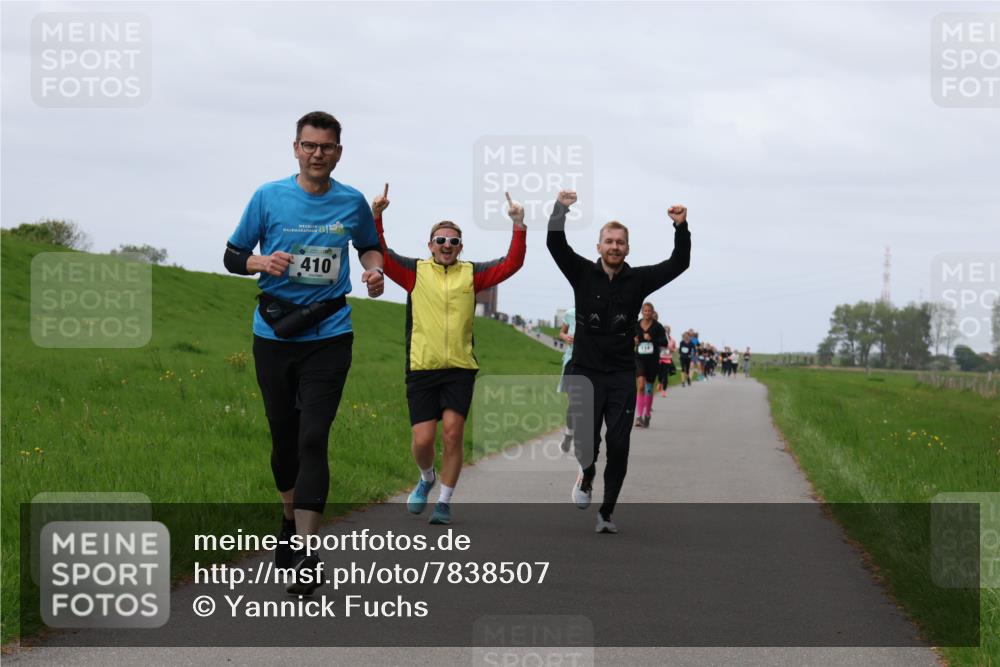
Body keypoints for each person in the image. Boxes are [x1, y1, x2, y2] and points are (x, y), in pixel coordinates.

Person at [223, 111, 385, 595]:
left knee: (314, 437)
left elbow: (368, 247)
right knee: (284, 439)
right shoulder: (268, 197)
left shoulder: (352, 201)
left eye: (327, 147)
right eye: (309, 146)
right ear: (295, 148)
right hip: (274, 334)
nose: (318, 154)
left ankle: (309, 552)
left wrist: (374, 272)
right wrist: (259, 260)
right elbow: (232, 255)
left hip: (330, 334)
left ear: (338, 152)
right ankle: (288, 522)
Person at [373, 186, 526, 525]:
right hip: (422, 367)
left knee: (454, 433)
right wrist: (377, 217)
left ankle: (444, 500)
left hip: (460, 367)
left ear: (461, 247)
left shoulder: (472, 273)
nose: (446, 246)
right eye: (440, 241)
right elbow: (379, 252)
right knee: (423, 439)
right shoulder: (414, 272)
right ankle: (426, 477)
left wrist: (518, 225)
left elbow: (512, 263)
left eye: (453, 241)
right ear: (430, 246)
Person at [547, 189, 691, 534]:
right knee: (587, 443)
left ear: (627, 249)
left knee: (620, 444)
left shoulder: (637, 280)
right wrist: (559, 210)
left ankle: (607, 512)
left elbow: (679, 264)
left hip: (621, 375)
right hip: (585, 372)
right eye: (609, 241)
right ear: (599, 247)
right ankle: (587, 475)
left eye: (620, 242)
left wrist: (681, 228)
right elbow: (556, 245)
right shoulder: (582, 273)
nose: (614, 247)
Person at [633, 303, 667, 428]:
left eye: (649, 311)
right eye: (645, 311)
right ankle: (638, 417)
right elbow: (630, 336)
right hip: (639, 358)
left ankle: (647, 414)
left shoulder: (658, 327)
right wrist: (634, 340)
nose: (647, 313)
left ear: (653, 312)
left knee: (648, 388)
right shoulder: (636, 324)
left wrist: (651, 339)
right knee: (640, 385)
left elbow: (664, 342)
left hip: (652, 360)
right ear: (642, 311)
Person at [558, 307, 577, 451]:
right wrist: (566, 337)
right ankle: (569, 434)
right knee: (573, 401)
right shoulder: (571, 313)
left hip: (591, 362)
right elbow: (561, 332)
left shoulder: (597, 312)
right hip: (572, 360)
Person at [657, 325, 676, 397]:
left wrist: (671, 349)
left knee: (665, 375)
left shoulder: (672, 340)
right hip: (659, 358)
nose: (666, 331)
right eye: (665, 330)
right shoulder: (659, 338)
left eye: (667, 330)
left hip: (667, 359)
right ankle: (659, 383)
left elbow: (675, 349)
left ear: (669, 331)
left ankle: (664, 391)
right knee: (659, 374)